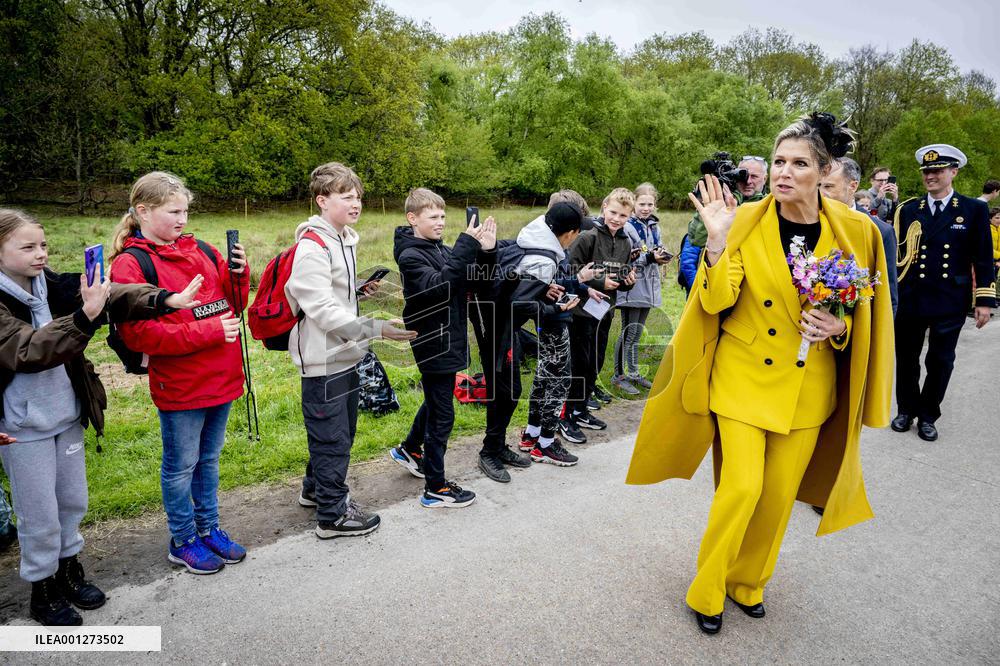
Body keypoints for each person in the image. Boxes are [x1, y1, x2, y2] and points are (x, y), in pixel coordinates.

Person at [626, 112, 894, 635]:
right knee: (741, 488)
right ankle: (706, 588)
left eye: (798, 163)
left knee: (776, 498)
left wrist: (836, 326)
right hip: (742, 376)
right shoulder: (745, 219)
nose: (784, 172)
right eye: (778, 161)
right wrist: (717, 240)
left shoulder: (857, 231)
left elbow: (863, 312)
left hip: (807, 388)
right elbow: (717, 298)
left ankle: (747, 582)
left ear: (824, 171)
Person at [1, 207, 202, 624]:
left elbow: (112, 292)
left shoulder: (50, 284)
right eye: (28, 247)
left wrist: (166, 299)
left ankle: (70, 570)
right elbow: (28, 351)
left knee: (71, 502)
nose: (41, 254)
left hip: (66, 414)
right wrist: (84, 316)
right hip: (22, 426)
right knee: (38, 512)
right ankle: (44, 588)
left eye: (43, 245)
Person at [110, 171, 251, 573]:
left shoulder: (203, 249)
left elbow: (233, 304)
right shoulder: (131, 265)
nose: (182, 219)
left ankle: (209, 530)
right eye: (173, 211)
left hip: (221, 377)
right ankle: (183, 538)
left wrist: (240, 274)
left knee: (208, 460)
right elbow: (139, 334)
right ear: (143, 211)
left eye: (186, 211)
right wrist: (208, 331)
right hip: (181, 384)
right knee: (180, 466)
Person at [284, 163, 415, 535]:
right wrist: (375, 328)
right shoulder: (313, 246)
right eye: (346, 197)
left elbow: (331, 295)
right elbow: (320, 309)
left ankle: (315, 489)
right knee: (333, 436)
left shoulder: (343, 239)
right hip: (323, 359)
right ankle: (332, 515)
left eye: (358, 196)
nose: (355, 203)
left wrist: (356, 293)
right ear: (322, 201)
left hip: (344, 353)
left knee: (339, 432)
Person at [390, 188, 497, 507]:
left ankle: (409, 449)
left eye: (443, 217)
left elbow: (477, 283)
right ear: (412, 219)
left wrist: (487, 252)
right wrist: (466, 244)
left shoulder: (441, 248)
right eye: (433, 217)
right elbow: (440, 287)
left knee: (438, 401)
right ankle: (435, 487)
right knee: (443, 416)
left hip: (448, 338)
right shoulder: (411, 256)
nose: (440, 223)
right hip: (432, 343)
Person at [891, 145, 996, 442]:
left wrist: (984, 300)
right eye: (927, 171)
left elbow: (983, 258)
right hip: (912, 297)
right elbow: (898, 256)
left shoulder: (973, 209)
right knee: (908, 357)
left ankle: (928, 415)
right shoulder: (908, 209)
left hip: (950, 298)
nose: (930, 176)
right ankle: (906, 409)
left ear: (954, 172)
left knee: (940, 360)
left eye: (937, 171)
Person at [513, 201, 596, 463]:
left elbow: (549, 283)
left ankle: (531, 433)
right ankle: (546, 444)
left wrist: (582, 288)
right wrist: (576, 285)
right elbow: (526, 299)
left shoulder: (539, 236)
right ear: (569, 233)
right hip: (554, 319)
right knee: (559, 381)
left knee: (543, 375)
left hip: (550, 317)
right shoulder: (546, 254)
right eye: (577, 232)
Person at [566, 188, 637, 431]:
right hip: (581, 311)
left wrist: (629, 279)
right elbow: (569, 271)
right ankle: (568, 414)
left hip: (605, 310)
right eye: (614, 212)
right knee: (580, 363)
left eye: (624, 216)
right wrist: (598, 283)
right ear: (604, 206)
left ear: (630, 216)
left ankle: (581, 408)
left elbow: (623, 272)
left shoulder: (626, 242)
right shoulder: (588, 236)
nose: (617, 219)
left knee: (595, 362)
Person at [613, 183, 671, 395]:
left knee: (637, 334)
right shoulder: (627, 226)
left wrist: (662, 256)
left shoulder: (655, 226)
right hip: (632, 285)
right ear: (634, 203)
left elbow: (655, 248)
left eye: (650, 204)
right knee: (627, 332)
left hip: (649, 285)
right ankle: (618, 376)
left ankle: (634, 373)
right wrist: (649, 257)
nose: (646, 208)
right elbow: (626, 257)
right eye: (642, 203)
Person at [820, 157, 898, 315]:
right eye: (818, 186)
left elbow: (887, 299)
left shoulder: (879, 231)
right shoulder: (808, 221)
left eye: (828, 186)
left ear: (853, 186)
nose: (821, 193)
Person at [679, 157, 767, 295]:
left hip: (753, 288)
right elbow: (697, 240)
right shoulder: (719, 203)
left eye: (754, 176)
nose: (748, 181)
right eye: (743, 175)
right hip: (716, 281)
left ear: (765, 179)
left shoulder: (770, 207)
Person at [991, 207, 1000, 300]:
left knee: (995, 278)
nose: (999, 220)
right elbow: (988, 248)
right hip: (989, 258)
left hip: (998, 259)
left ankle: (994, 297)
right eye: (997, 218)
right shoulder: (987, 229)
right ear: (990, 218)